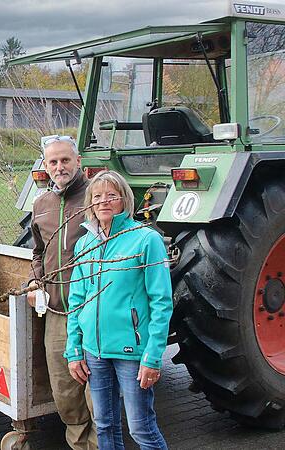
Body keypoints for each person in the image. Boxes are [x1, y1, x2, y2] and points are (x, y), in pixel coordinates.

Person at [65, 170, 172, 450]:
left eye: (111, 195)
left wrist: (152, 356)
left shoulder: (145, 240)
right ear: (90, 202)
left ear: (125, 199)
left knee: (141, 428)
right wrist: (74, 349)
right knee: (104, 425)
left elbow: (161, 302)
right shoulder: (84, 243)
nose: (104, 201)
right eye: (97, 196)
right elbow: (77, 300)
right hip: (94, 351)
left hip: (131, 352)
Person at [26, 135, 97, 449]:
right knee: (65, 391)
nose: (59, 167)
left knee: (97, 391)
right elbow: (38, 252)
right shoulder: (41, 204)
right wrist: (36, 281)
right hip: (57, 311)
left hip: (94, 309)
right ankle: (79, 444)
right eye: (53, 162)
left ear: (78, 161)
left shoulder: (96, 197)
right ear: (45, 165)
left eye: (65, 160)